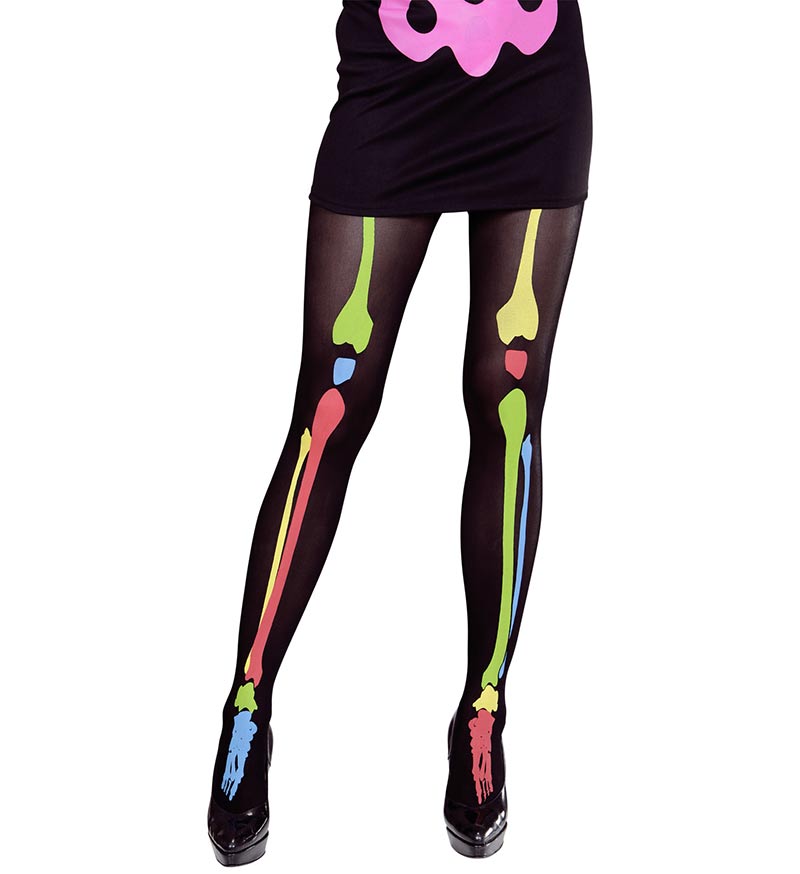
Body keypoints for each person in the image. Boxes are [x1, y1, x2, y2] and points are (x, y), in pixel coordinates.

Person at [207, 0, 592, 863]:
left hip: (533, 79)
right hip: (395, 76)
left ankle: (483, 710)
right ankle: (247, 705)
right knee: (333, 403)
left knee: (510, 399)